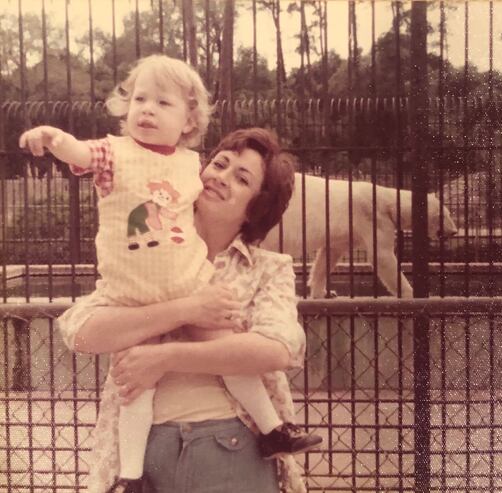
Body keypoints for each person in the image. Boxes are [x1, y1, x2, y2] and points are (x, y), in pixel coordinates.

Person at [20, 55, 319, 493]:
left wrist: (161, 357)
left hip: (232, 449)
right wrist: (187, 308)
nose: (221, 176)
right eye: (220, 163)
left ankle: (278, 431)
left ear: (257, 206)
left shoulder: (268, 269)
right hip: (147, 450)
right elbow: (82, 333)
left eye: (242, 178)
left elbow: (275, 350)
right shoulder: (141, 259)